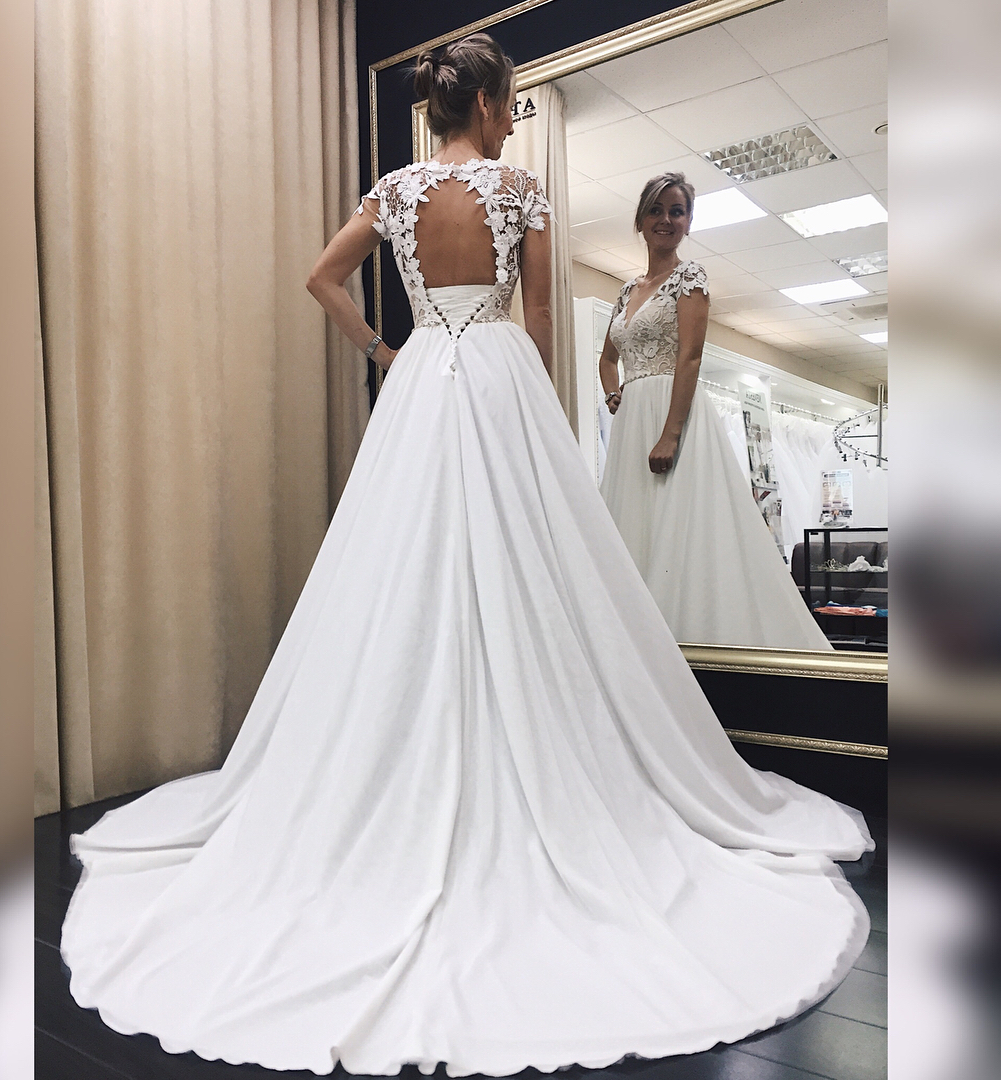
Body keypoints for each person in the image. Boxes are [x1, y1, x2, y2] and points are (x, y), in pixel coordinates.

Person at [60, 36, 870, 1075]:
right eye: (510, 103)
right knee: (535, 567)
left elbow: (320, 277)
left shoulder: (393, 191)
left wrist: (382, 349)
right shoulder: (518, 190)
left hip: (419, 386)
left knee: (395, 572)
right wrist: (539, 418)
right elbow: (538, 321)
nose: (511, 118)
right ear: (486, 105)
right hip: (495, 377)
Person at [599, 173, 833, 650]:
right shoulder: (626, 291)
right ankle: (637, 642)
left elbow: (690, 357)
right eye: (656, 210)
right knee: (636, 524)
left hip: (673, 414)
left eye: (677, 211)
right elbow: (607, 357)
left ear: (688, 222)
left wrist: (670, 434)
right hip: (633, 420)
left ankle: (686, 641)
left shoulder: (691, 278)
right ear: (640, 220)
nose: (666, 219)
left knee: (679, 522)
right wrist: (613, 393)